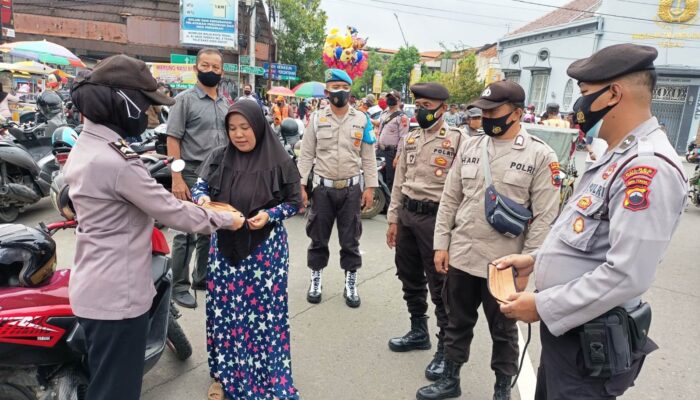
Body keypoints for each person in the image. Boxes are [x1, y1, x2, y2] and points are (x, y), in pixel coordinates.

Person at [495, 43, 687, 400]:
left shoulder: (647, 166)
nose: (577, 105)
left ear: (614, 93)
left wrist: (542, 305)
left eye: (584, 94)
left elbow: (627, 273)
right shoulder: (615, 156)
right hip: (570, 334)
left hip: (589, 343)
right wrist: (535, 260)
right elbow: (588, 242)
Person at [63, 54, 244, 400]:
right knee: (117, 392)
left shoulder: (88, 143)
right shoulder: (116, 162)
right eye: (145, 104)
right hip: (118, 298)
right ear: (125, 103)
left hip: (93, 288)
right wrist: (227, 219)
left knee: (104, 384)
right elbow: (175, 213)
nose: (149, 114)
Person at [417, 80, 560, 400]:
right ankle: (450, 379)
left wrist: (529, 264)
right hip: (463, 253)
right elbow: (450, 198)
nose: (486, 117)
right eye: (484, 112)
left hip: (504, 263)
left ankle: (501, 391)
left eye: (494, 111)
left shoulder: (539, 155)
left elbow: (545, 218)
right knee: (456, 321)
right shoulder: (470, 145)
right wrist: (442, 243)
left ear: (517, 113)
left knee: (504, 332)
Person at [192, 101, 302, 400]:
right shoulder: (218, 157)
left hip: (265, 253)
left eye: (245, 127)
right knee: (225, 313)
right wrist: (204, 202)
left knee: (263, 316)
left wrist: (270, 215)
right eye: (232, 128)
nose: (238, 135)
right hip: (224, 249)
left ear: (259, 127)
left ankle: (265, 375)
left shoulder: (280, 160)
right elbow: (199, 186)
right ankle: (223, 376)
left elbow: (295, 203)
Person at [386, 83, 465, 382]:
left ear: (443, 109)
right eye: (418, 104)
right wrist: (393, 218)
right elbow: (399, 182)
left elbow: (461, 190)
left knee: (440, 285)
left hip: (437, 220)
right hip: (407, 214)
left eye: (428, 106)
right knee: (408, 276)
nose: (421, 110)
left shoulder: (458, 140)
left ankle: (445, 346)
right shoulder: (410, 138)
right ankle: (418, 330)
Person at [297, 68, 378, 308]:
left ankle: (350, 283)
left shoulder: (361, 119)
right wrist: (301, 185)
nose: (339, 92)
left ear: (350, 91)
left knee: (350, 240)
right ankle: (316, 279)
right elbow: (306, 155)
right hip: (322, 188)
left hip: (351, 189)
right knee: (318, 238)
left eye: (343, 88)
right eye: (334, 87)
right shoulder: (316, 118)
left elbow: (369, 157)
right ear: (327, 91)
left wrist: (371, 187)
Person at [167, 47, 230, 308]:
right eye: (205, 66)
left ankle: (201, 278)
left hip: (217, 175)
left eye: (215, 68)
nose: (211, 71)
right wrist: (177, 178)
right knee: (186, 232)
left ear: (222, 71)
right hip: (191, 172)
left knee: (209, 229)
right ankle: (178, 285)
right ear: (196, 68)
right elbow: (173, 139)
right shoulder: (185, 100)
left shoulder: (226, 103)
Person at [377, 89, 409, 190]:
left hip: (392, 153)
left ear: (398, 100)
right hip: (380, 151)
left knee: (390, 179)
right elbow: (380, 131)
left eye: (392, 98)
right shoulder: (384, 113)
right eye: (388, 97)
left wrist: (397, 156)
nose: (389, 99)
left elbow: (403, 138)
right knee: (378, 177)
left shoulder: (402, 117)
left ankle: (390, 203)